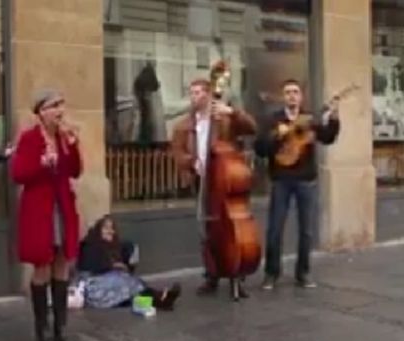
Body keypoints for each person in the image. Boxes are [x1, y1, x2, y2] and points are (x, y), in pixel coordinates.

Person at [171, 78, 256, 295]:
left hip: (224, 180)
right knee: (206, 232)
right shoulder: (183, 125)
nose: (194, 97)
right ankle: (212, 275)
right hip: (203, 181)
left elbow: (251, 127)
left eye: (198, 92)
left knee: (231, 230)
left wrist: (233, 112)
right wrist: (192, 162)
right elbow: (178, 153)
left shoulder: (224, 119)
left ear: (209, 94)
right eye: (192, 93)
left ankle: (235, 275)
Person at [254, 78, 340, 290]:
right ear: (283, 97)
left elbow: (328, 138)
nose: (292, 96)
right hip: (281, 180)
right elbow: (260, 148)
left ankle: (303, 273)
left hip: (305, 181)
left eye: (295, 92)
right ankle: (272, 273)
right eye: (288, 92)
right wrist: (277, 135)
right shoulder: (274, 120)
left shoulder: (309, 119)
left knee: (306, 231)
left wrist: (334, 118)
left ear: (301, 97)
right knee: (275, 229)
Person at [11, 88, 81, 341]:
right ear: (41, 112)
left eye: (61, 105)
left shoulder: (63, 137)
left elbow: (75, 171)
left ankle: (60, 327)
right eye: (53, 106)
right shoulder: (29, 138)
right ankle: (42, 329)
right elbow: (18, 174)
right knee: (42, 264)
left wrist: (73, 147)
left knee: (62, 262)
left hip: (62, 206)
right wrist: (41, 163)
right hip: (39, 210)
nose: (59, 111)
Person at [76, 215, 181, 310]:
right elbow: (90, 267)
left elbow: (127, 254)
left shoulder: (112, 246)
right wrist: (113, 266)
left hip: (110, 284)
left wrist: (125, 261)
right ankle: (160, 298)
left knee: (132, 284)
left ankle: (161, 299)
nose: (110, 231)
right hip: (92, 288)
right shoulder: (90, 244)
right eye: (106, 228)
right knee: (125, 282)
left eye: (112, 228)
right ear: (98, 230)